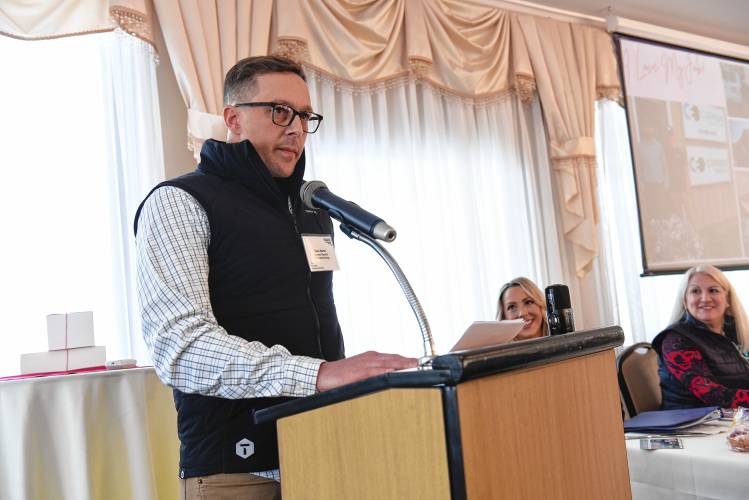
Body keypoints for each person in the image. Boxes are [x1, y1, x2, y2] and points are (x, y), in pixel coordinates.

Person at [134, 56, 416, 499]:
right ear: (233, 118)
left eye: (305, 116)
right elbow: (180, 347)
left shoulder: (312, 208)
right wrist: (318, 374)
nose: (297, 128)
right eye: (281, 111)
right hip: (239, 468)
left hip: (325, 445)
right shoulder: (179, 202)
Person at [652, 265, 749, 410]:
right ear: (685, 300)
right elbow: (712, 394)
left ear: (727, 298)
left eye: (713, 290)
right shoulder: (675, 341)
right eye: (695, 291)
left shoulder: (735, 330)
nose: (705, 298)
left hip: (729, 419)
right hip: (693, 424)